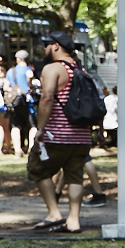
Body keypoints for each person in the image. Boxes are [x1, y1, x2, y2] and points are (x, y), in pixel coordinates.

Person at [26, 31, 92, 233]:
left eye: (47, 45)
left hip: (58, 133)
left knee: (37, 167)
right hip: (82, 135)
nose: (45, 49)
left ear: (55, 46)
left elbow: (47, 97)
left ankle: (54, 213)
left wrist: (40, 128)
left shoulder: (52, 69)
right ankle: (73, 221)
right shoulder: (81, 69)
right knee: (75, 176)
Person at [9, 49, 36, 157]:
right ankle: (31, 148)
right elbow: (30, 77)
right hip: (27, 101)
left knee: (15, 125)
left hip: (15, 101)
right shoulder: (29, 69)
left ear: (17, 59)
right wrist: (29, 85)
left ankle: (17, 150)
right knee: (33, 125)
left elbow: (6, 86)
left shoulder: (11, 71)